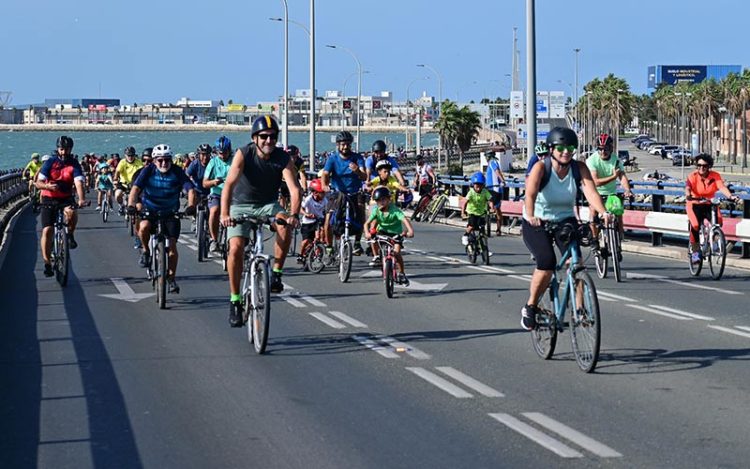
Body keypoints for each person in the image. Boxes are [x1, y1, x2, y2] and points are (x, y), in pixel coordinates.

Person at [520, 127, 611, 331]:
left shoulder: (579, 168)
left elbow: (591, 193)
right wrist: (532, 215)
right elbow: (530, 195)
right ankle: (531, 306)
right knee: (547, 262)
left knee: (575, 262)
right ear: (551, 149)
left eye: (571, 148)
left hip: (564, 219)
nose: (566, 152)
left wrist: (604, 212)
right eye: (561, 148)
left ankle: (580, 310)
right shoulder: (541, 168)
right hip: (537, 221)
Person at [220, 115, 301, 327]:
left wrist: (294, 215)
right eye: (264, 137)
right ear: (255, 138)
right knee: (236, 248)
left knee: (284, 225)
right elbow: (228, 185)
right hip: (241, 204)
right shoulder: (243, 154)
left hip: (268, 203)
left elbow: (294, 189)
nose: (268, 141)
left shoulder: (282, 157)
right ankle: (235, 300)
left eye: (273, 137)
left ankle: (276, 274)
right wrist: (224, 214)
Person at [128, 144, 197, 294]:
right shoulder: (148, 171)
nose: (164, 163)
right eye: (160, 160)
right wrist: (131, 205)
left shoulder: (177, 171)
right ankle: (146, 251)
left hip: (170, 212)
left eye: (167, 160)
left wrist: (191, 206)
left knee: (172, 247)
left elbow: (190, 189)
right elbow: (135, 189)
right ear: (154, 161)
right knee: (144, 226)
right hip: (150, 210)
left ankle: (171, 278)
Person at [36, 136, 87, 277]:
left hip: (65, 198)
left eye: (67, 149)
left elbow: (78, 182)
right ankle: (47, 263)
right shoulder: (50, 162)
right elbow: (38, 183)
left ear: (71, 149)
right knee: (47, 230)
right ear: (58, 149)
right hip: (48, 198)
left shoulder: (74, 163)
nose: (64, 152)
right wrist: (47, 186)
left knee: (72, 212)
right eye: (62, 149)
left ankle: (69, 235)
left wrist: (81, 199)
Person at [685, 154, 739, 263]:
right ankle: (695, 252)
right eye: (699, 165)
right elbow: (687, 187)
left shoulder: (715, 176)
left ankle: (711, 242)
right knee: (695, 225)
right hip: (694, 203)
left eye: (704, 166)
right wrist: (688, 195)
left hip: (709, 203)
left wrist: (730, 196)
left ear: (709, 166)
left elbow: (722, 187)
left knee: (718, 221)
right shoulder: (693, 176)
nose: (701, 168)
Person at [321, 130, 367, 255]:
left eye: (347, 144)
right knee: (328, 220)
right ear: (338, 145)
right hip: (337, 193)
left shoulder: (357, 158)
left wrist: (357, 171)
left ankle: (357, 242)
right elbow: (325, 174)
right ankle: (329, 247)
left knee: (361, 212)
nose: (345, 146)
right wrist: (324, 185)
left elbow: (364, 176)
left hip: (354, 192)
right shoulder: (332, 159)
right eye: (342, 144)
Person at [586, 133, 632, 244]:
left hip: (611, 193)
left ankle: (620, 238)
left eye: (605, 149)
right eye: (600, 149)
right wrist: (613, 177)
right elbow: (596, 182)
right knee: (593, 213)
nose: (603, 152)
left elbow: (622, 176)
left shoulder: (616, 160)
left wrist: (627, 190)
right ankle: (594, 239)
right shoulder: (592, 160)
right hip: (596, 193)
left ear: (611, 148)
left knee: (618, 211)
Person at [364, 186, 414, 286]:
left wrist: (410, 231)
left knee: (396, 253)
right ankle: (376, 256)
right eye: (378, 201)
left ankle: (401, 273)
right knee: (373, 238)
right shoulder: (376, 211)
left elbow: (404, 220)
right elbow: (366, 224)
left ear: (389, 199)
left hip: (395, 234)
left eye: (383, 199)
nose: (381, 203)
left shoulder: (395, 211)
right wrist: (367, 233)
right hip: (382, 232)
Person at [203, 136, 232, 252]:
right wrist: (214, 182)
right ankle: (214, 239)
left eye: (225, 153)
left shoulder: (235, 160)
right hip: (217, 193)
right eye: (220, 153)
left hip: (232, 194)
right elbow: (204, 183)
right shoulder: (213, 162)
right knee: (214, 211)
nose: (223, 156)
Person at [297, 178, 328, 266]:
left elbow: (326, 211)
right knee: (306, 241)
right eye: (322, 193)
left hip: (318, 220)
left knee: (318, 236)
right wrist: (306, 214)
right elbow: (300, 208)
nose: (323, 195)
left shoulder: (325, 200)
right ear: (315, 193)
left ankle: (318, 251)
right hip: (307, 222)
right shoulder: (308, 199)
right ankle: (301, 254)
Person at [460, 172, 493, 246]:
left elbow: (490, 200)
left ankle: (484, 249)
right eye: (477, 185)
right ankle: (465, 236)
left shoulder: (485, 192)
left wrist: (492, 208)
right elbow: (465, 203)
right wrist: (463, 212)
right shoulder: (471, 192)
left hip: (481, 212)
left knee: (482, 229)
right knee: (472, 226)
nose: (478, 187)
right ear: (473, 185)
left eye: (481, 185)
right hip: (471, 212)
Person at [113, 146, 143, 213]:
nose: (130, 157)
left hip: (135, 183)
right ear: (125, 155)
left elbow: (142, 171)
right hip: (124, 183)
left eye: (132, 155)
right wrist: (115, 180)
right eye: (128, 155)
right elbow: (117, 172)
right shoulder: (122, 162)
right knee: (118, 194)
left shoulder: (139, 162)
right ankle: (121, 206)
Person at [279, 144, 308, 210]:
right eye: (291, 157)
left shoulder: (299, 162)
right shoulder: (282, 160)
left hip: (294, 180)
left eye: (295, 157)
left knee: (297, 195)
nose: (293, 159)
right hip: (282, 181)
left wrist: (305, 189)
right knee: (282, 198)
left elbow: (303, 176)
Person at [485, 152, 507, 235]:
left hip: (493, 188)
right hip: (497, 189)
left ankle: (490, 211)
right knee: (498, 209)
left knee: (491, 204)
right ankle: (498, 229)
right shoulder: (494, 162)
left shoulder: (492, 162)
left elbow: (497, 171)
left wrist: (502, 180)